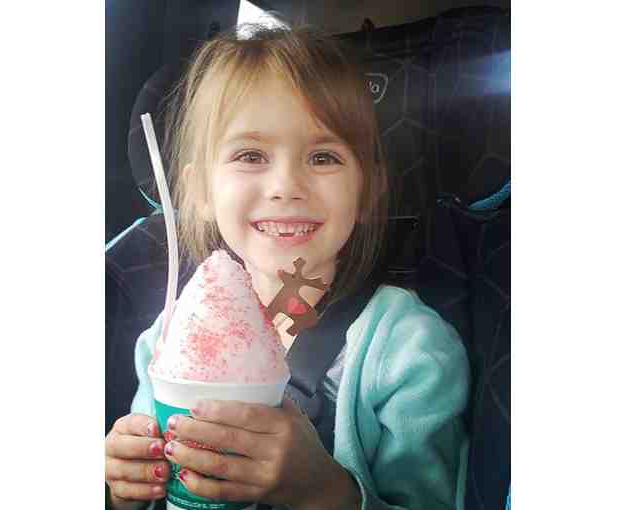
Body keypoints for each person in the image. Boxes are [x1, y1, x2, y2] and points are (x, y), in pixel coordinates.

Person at [105, 23, 469, 510]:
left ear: (368, 188)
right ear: (200, 192)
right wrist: (125, 490)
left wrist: (324, 491)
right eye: (251, 155)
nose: (286, 186)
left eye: (323, 157)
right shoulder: (168, 335)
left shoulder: (410, 350)